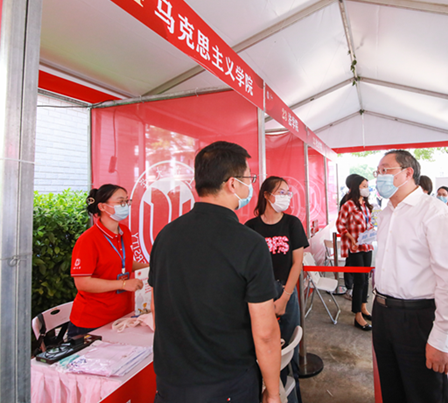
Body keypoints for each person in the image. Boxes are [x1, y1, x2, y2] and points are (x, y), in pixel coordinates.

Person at [149, 141, 281, 403]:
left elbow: (156, 307)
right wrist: (274, 392)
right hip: (227, 385)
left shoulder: (165, 236)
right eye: (248, 179)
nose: (250, 186)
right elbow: (265, 333)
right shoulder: (249, 243)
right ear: (232, 184)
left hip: (170, 383)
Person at [373, 150, 448, 402]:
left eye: (385, 170)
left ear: (408, 173)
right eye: (377, 172)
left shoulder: (435, 213)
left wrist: (441, 336)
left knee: (424, 392)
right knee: (392, 389)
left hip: (417, 317)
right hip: (383, 313)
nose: (379, 176)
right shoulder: (386, 213)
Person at [245, 176, 308, 403]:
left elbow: (297, 263)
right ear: (266, 195)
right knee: (261, 350)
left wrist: (284, 298)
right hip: (258, 297)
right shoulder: (251, 227)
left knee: (288, 352)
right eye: (281, 192)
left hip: (285, 292)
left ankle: (290, 396)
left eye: (288, 192)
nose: (286, 196)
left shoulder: (292, 224)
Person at [68, 184, 147, 338]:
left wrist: (151, 267)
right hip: (92, 321)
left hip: (121, 315)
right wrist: (123, 284)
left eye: (127, 201)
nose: (125, 205)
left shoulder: (125, 232)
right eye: (120, 202)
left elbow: (124, 263)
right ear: (103, 207)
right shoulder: (88, 240)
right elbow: (82, 283)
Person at [336, 174, 374, 331]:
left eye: (367, 186)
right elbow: (340, 225)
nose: (366, 189)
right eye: (363, 186)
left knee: (366, 279)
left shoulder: (365, 204)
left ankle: (364, 307)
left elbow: (368, 222)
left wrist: (371, 232)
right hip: (355, 247)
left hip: (367, 246)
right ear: (355, 187)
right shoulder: (348, 205)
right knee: (359, 280)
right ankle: (357, 315)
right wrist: (351, 238)